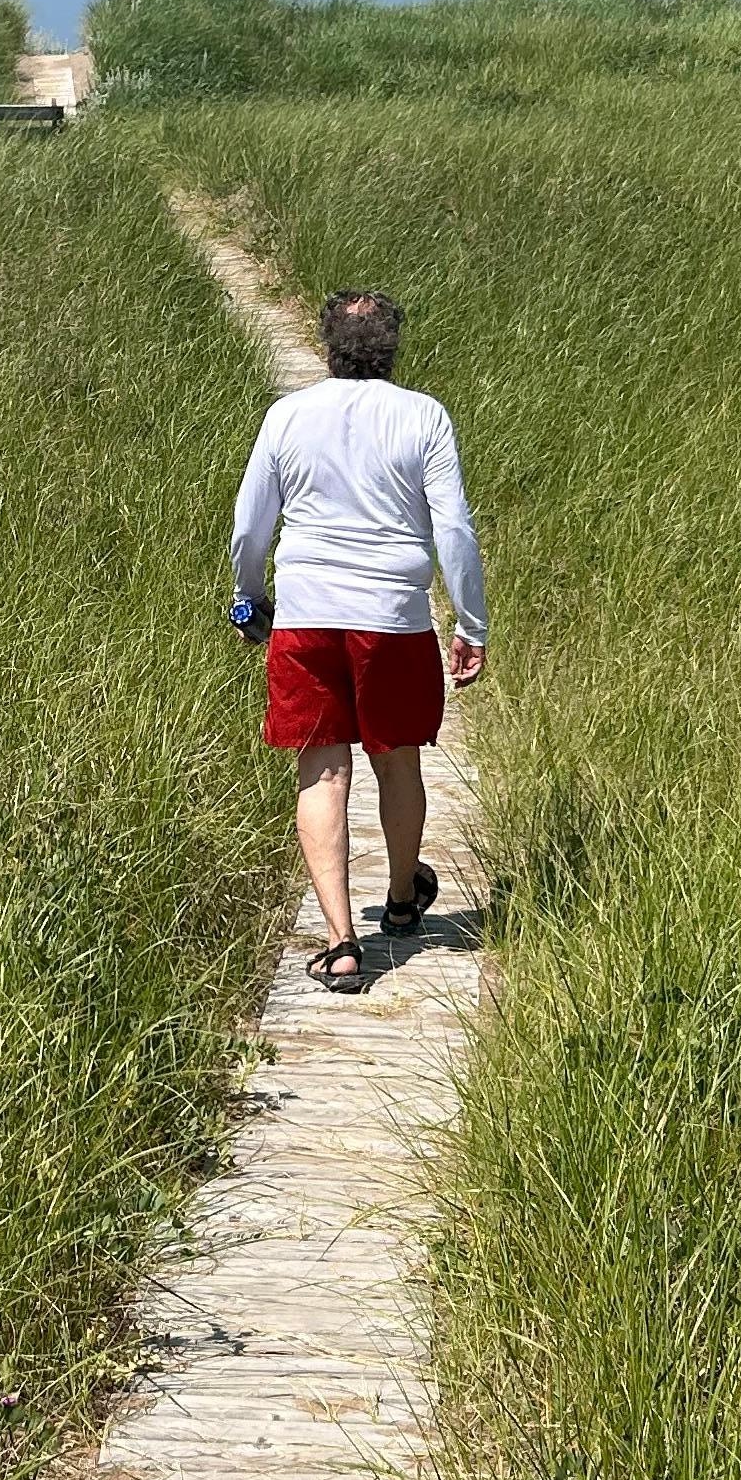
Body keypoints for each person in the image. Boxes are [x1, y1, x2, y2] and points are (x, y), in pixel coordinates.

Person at [228, 288, 488, 996]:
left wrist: (248, 594)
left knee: (322, 769)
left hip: (306, 612)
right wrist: (471, 623)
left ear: (328, 347)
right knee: (397, 761)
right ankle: (402, 900)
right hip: (393, 615)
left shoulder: (288, 415)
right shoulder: (423, 416)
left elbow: (251, 524)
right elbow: (454, 529)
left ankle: (342, 943)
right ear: (392, 346)